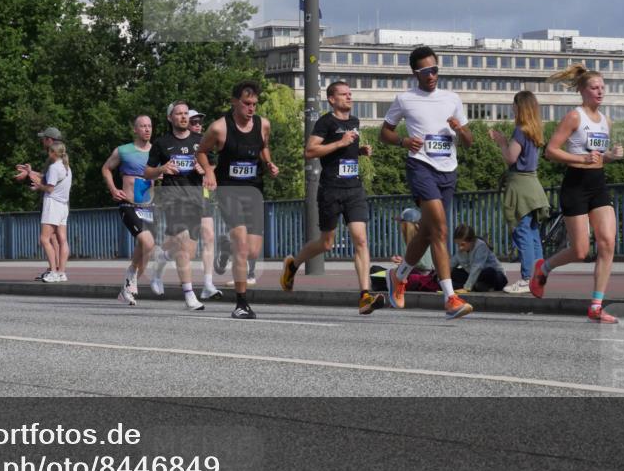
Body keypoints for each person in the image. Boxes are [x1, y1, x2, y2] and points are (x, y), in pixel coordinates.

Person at [380, 45, 475, 319]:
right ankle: (450, 298)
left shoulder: (452, 99)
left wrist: (460, 129)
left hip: (448, 170)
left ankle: (398, 276)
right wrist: (403, 141)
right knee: (441, 230)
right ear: (415, 73)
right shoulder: (405, 99)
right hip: (421, 166)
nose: (431, 75)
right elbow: (384, 133)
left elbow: (468, 142)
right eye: (425, 71)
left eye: (434, 69)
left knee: (427, 232)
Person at [280, 81, 385, 314]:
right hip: (331, 189)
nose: (349, 97)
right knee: (326, 243)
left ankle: (364, 296)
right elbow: (310, 151)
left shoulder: (354, 121)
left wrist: (358, 151)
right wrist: (340, 142)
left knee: (361, 239)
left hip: (354, 188)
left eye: (350, 94)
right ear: (331, 99)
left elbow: (344, 151)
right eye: (343, 94)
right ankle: (293, 265)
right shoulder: (325, 122)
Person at [531, 64, 624, 323]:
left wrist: (611, 156)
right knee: (580, 251)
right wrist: (581, 159)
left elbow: (599, 158)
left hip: (598, 185)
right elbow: (551, 151)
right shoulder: (574, 116)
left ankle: (596, 305)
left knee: (608, 242)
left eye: (602, 87)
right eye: (594, 88)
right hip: (575, 185)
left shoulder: (606, 121)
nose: (600, 92)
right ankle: (544, 268)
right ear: (582, 91)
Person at [197, 80, 280, 319]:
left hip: (253, 190)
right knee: (242, 247)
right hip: (229, 190)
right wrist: (209, 171)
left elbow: (263, 147)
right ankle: (241, 304)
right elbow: (201, 151)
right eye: (246, 103)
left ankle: (226, 246)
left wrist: (268, 163)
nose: (251, 108)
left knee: (253, 251)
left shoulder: (263, 124)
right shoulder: (219, 128)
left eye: (254, 104)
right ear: (235, 102)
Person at [143, 101, 207, 312]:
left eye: (186, 113)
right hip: (172, 198)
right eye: (179, 114)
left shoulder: (200, 141)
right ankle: (189, 294)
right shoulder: (162, 143)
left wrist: (204, 169)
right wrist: (161, 169)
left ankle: (160, 262)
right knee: (182, 244)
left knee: (189, 250)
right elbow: (147, 172)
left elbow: (212, 166)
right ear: (170, 118)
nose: (184, 117)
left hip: (195, 198)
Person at [490, 91, 550, 294]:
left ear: (519, 107)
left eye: (514, 104)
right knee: (533, 233)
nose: (512, 108)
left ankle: (526, 279)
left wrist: (501, 142)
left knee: (522, 232)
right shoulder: (535, 130)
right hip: (534, 185)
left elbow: (510, 158)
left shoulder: (520, 130)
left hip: (520, 187)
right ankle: (538, 278)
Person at [100, 114, 155, 306]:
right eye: (143, 126)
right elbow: (106, 168)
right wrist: (113, 189)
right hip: (128, 204)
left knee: (147, 249)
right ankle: (130, 277)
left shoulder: (157, 151)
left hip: (148, 206)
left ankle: (127, 287)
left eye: (149, 126)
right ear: (135, 130)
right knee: (146, 242)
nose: (147, 129)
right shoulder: (123, 150)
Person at [15, 126, 64, 281]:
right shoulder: (58, 159)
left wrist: (30, 176)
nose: (42, 141)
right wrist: (30, 172)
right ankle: (55, 269)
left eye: (44, 139)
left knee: (50, 238)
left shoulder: (53, 161)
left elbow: (48, 183)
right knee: (55, 237)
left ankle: (55, 270)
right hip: (59, 203)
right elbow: (45, 176)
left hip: (53, 203)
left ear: (49, 140)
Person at [187, 110, 222, 301]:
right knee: (186, 247)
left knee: (209, 236)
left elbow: (215, 165)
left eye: (200, 121)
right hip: (183, 195)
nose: (198, 125)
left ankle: (208, 284)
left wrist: (207, 169)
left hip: (203, 194)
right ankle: (161, 261)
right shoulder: (175, 142)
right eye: (194, 122)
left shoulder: (205, 142)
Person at [30, 142, 71, 282]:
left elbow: (50, 188)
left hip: (53, 204)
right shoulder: (67, 167)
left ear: (53, 153)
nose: (48, 153)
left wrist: (39, 186)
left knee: (44, 239)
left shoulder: (54, 167)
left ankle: (53, 271)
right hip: (64, 205)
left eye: (49, 151)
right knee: (63, 240)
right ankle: (61, 272)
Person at [450, 225, 508, 292]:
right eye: (458, 244)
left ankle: (472, 286)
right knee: (454, 272)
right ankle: (477, 286)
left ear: (472, 241)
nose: (460, 248)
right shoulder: (461, 251)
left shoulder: (481, 246)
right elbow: (451, 265)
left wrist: (467, 288)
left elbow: (477, 268)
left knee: (490, 272)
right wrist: (442, 279)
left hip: (493, 277)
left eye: (463, 244)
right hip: (474, 277)